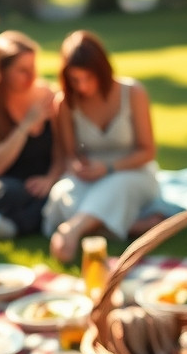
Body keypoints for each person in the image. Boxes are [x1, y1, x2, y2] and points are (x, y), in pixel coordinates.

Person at [42, 30, 163, 263]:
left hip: (131, 171)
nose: (83, 86)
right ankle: (130, 227)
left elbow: (147, 151)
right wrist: (78, 166)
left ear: (102, 70)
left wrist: (108, 168)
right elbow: (69, 156)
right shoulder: (65, 103)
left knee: (117, 186)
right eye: (75, 80)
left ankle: (74, 229)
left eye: (88, 78)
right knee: (62, 193)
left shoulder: (133, 93)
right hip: (90, 177)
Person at [0, 30, 63, 239]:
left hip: (37, 180)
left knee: (60, 190)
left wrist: (50, 178)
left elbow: (63, 149)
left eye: (33, 67)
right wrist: (26, 125)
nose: (31, 76)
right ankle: (28, 222)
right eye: (22, 70)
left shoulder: (47, 95)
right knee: (13, 192)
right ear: (1, 72)